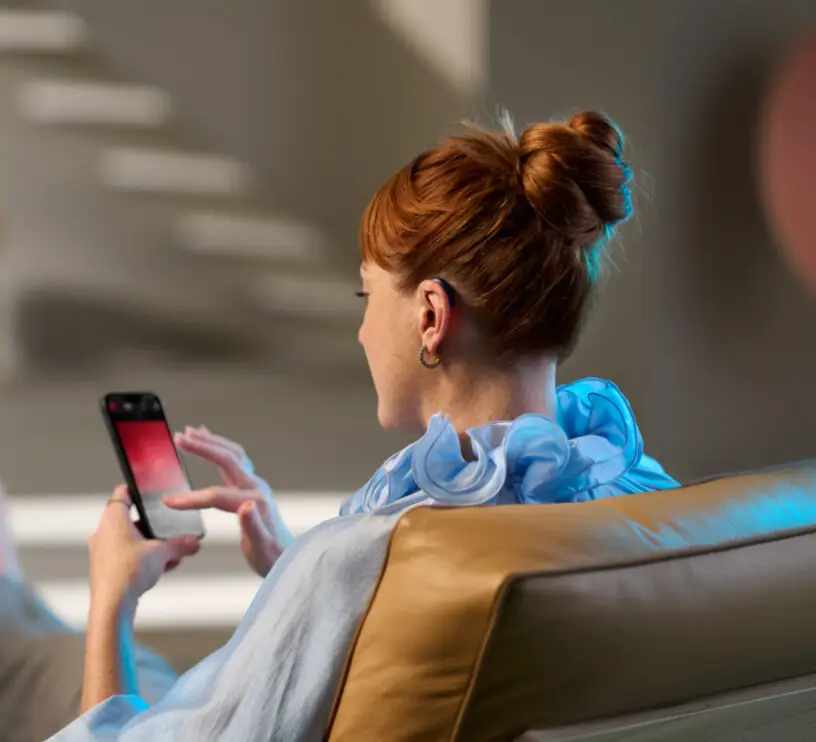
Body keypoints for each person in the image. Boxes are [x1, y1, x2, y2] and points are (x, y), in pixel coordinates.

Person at [33, 110, 678, 740]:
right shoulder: (647, 502)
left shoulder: (364, 557)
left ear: (431, 316)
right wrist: (291, 570)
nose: (364, 331)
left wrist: (112, 600)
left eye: (368, 297)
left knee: (39, 657)